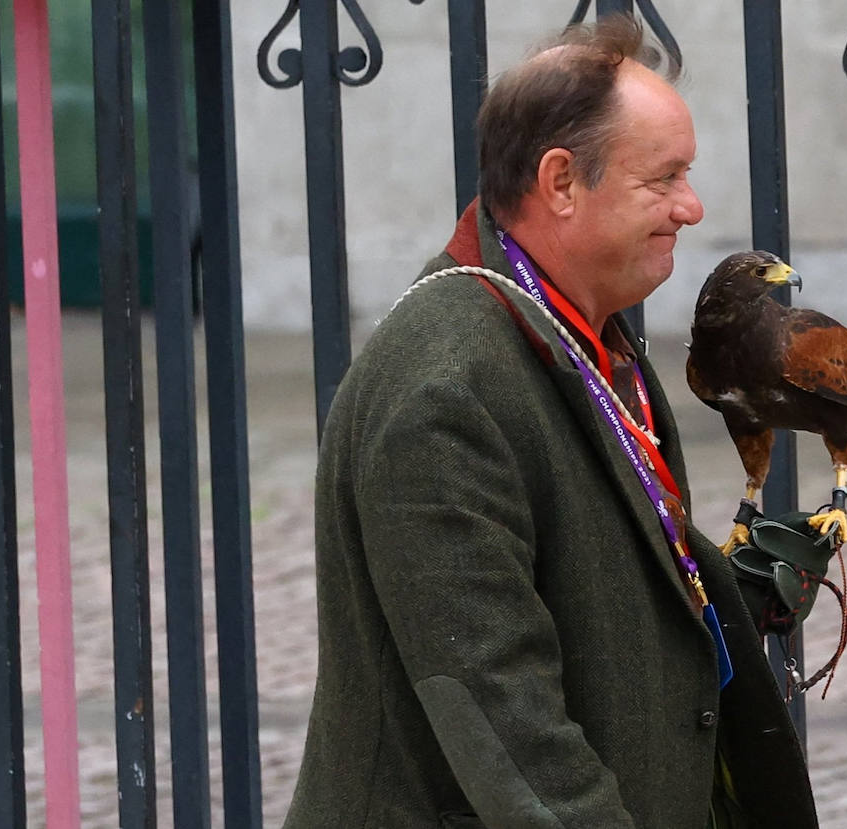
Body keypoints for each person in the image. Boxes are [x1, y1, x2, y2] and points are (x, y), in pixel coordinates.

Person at [283, 15, 817, 829]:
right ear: (561, 181)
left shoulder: (577, 327)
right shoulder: (443, 392)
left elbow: (580, 570)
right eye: (664, 178)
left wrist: (717, 595)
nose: (693, 207)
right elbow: (505, 722)